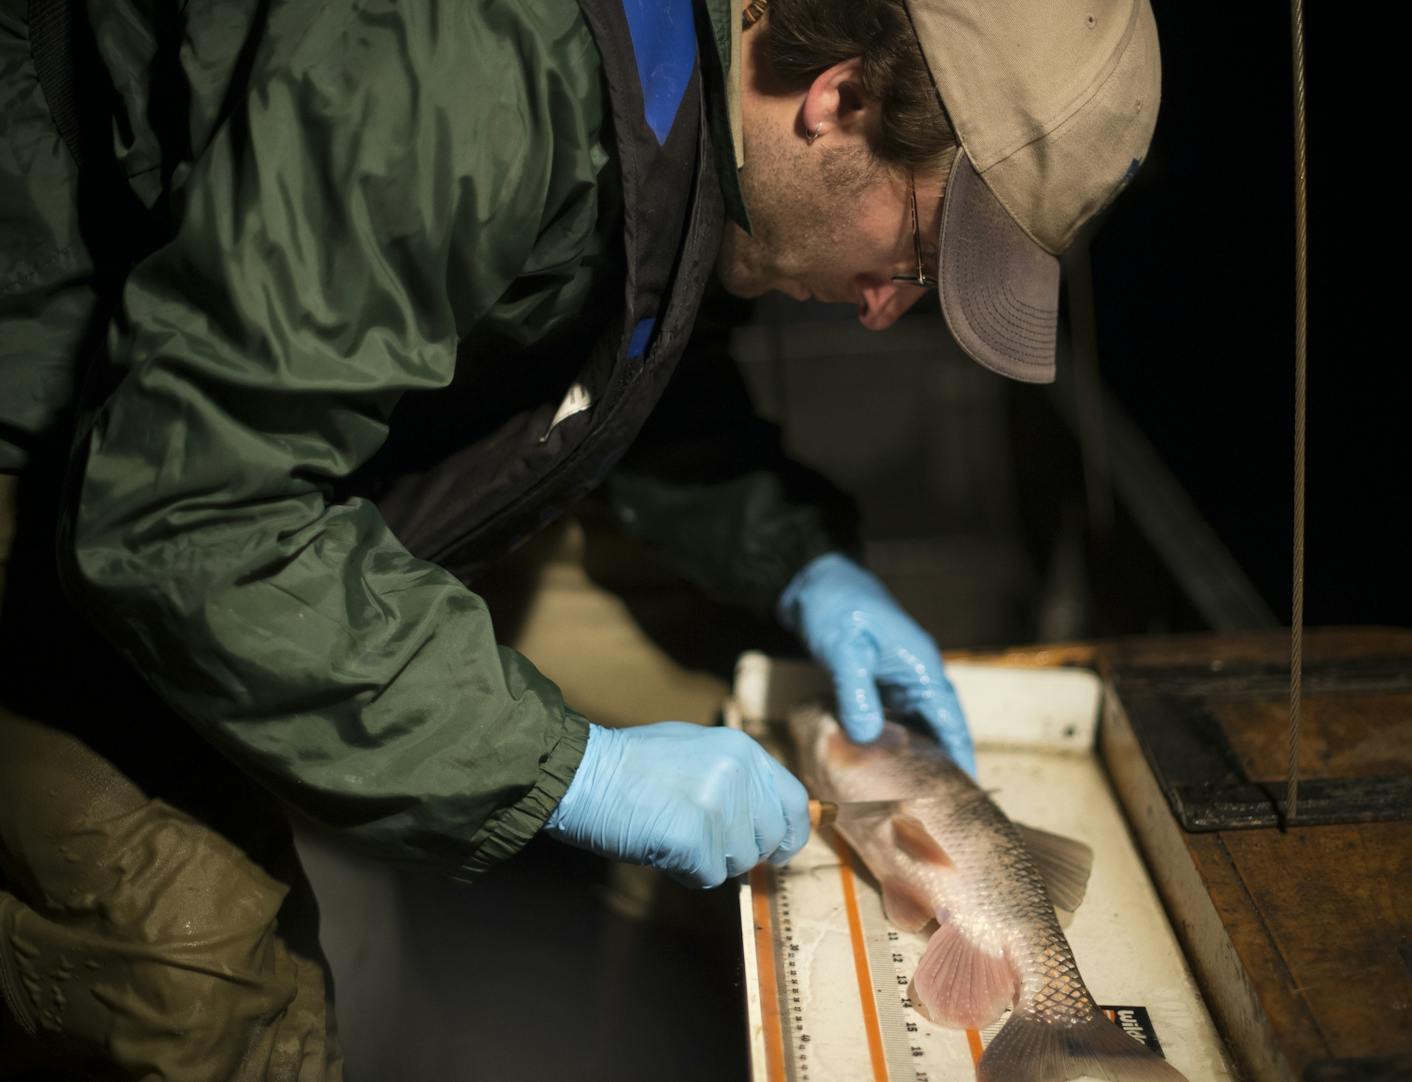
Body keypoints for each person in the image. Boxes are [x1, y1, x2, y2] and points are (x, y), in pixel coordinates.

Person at [0, 0, 1159, 1076]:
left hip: (264, 440)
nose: (880, 307)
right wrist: (570, 771)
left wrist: (803, 560)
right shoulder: (460, 72)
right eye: (913, 255)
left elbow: (630, 359)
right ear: (838, 99)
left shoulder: (701, 102)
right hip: (69, 445)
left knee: (689, 656)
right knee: (196, 991)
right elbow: (185, 512)